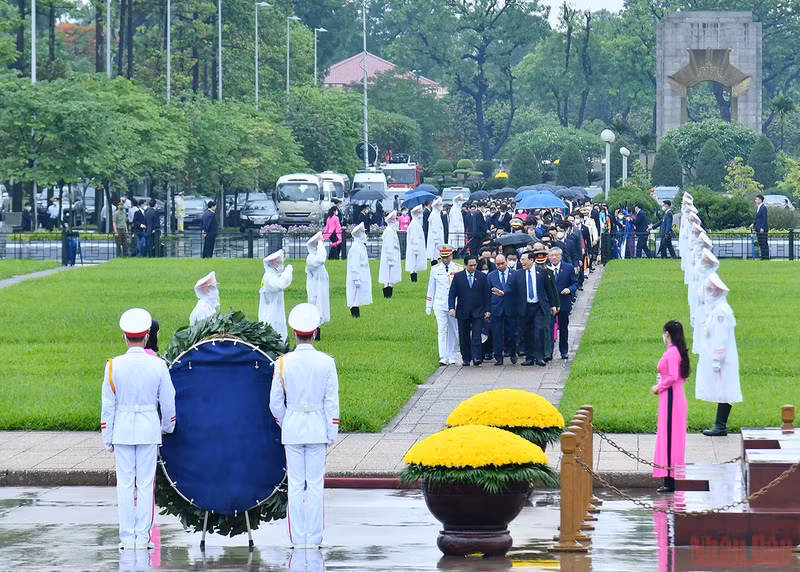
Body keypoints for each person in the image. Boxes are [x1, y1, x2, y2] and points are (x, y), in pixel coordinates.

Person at [101, 308, 176, 551]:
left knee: (124, 485)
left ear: (125, 337)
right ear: (146, 337)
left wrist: (107, 436)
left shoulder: (113, 366)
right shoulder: (158, 365)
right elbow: (167, 400)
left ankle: (126, 538)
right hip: (148, 429)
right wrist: (167, 426)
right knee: (145, 485)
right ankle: (142, 538)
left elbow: (108, 405)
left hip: (122, 430)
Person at [269, 303, 339, 550]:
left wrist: (285, 421)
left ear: (294, 332)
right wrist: (332, 432)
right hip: (318, 426)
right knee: (315, 484)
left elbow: (275, 403)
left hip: (293, 427)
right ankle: (315, 538)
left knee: (296, 485)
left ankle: (298, 539)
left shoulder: (282, 363)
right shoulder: (326, 362)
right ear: (315, 331)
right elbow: (332, 401)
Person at [696, 274, 742, 437]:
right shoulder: (719, 309)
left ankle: (720, 425)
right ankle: (719, 424)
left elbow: (721, 337)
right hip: (723, 358)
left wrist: (716, 359)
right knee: (724, 389)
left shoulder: (721, 311)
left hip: (723, 359)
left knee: (725, 390)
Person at [651, 320, 689, 493]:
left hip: (671, 398)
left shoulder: (673, 353)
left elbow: (673, 375)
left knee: (670, 437)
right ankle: (669, 477)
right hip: (672, 397)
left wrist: (658, 387)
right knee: (670, 436)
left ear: (667, 333)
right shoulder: (676, 351)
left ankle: (671, 479)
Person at [504, 251, 555, 366]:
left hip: (538, 306)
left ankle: (539, 357)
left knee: (539, 331)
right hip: (525, 307)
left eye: (524, 259)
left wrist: (553, 305)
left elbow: (548, 290)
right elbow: (510, 287)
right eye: (521, 259)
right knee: (526, 333)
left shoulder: (542, 272)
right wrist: (503, 292)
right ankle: (529, 357)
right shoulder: (518, 274)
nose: (522, 262)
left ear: (531, 260)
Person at [448, 255, 490, 366]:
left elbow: (486, 295)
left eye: (475, 265)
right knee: (464, 335)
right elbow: (452, 294)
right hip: (463, 310)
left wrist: (487, 310)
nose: (473, 267)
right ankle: (466, 357)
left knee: (476, 335)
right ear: (465, 265)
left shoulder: (481, 277)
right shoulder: (458, 277)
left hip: (478, 311)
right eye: (470, 265)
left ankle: (476, 356)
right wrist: (451, 308)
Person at [548, 247, 578, 359]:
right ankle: (549, 351)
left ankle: (564, 350)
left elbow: (575, 283)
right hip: (550, 304)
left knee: (563, 328)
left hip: (563, 302)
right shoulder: (545, 269)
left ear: (560, 256)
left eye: (556, 255)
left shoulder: (568, 268)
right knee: (550, 327)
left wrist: (569, 289)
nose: (554, 258)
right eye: (551, 255)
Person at [487, 254, 517, 365]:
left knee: (512, 333)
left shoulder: (514, 274)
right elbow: (487, 294)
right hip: (496, 308)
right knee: (497, 334)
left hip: (511, 308)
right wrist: (488, 309)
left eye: (502, 263)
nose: (500, 266)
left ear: (507, 262)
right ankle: (498, 357)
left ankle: (513, 353)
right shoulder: (491, 276)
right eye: (498, 264)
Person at [258, 250, 294, 341]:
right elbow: (280, 284)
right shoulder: (269, 277)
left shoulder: (271, 276)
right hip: (270, 314)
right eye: (279, 263)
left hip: (275, 311)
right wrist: (288, 272)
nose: (281, 265)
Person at [305, 232, 330, 340]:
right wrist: (320, 244)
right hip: (315, 290)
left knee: (320, 309)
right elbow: (321, 259)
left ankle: (317, 333)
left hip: (320, 288)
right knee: (315, 309)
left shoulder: (314, 256)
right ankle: (314, 334)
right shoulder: (311, 258)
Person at [346, 222, 373, 317]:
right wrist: (356, 278)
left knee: (358, 295)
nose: (365, 235)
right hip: (357, 276)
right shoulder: (356, 248)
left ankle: (356, 314)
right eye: (363, 233)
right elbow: (354, 264)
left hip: (362, 274)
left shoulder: (361, 246)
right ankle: (355, 314)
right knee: (355, 296)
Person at [379, 211, 402, 298]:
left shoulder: (392, 231)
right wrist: (390, 259)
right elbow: (388, 247)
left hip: (393, 257)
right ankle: (387, 295)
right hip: (390, 258)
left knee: (391, 277)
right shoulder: (389, 231)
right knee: (388, 277)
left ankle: (389, 294)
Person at [405, 204, 427, 283]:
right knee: (413, 265)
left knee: (415, 265)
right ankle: (413, 280)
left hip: (416, 247)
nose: (421, 215)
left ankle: (415, 280)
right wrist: (416, 249)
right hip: (414, 248)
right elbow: (414, 238)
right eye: (420, 213)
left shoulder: (417, 223)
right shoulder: (414, 224)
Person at [751, 194, 769, 260]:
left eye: (756, 199)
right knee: (760, 242)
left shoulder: (763, 207)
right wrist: (753, 224)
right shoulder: (758, 207)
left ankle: (766, 257)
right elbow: (757, 218)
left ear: (760, 200)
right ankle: (763, 256)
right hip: (758, 227)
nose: (755, 200)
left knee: (764, 242)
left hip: (762, 228)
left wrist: (762, 227)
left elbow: (764, 218)